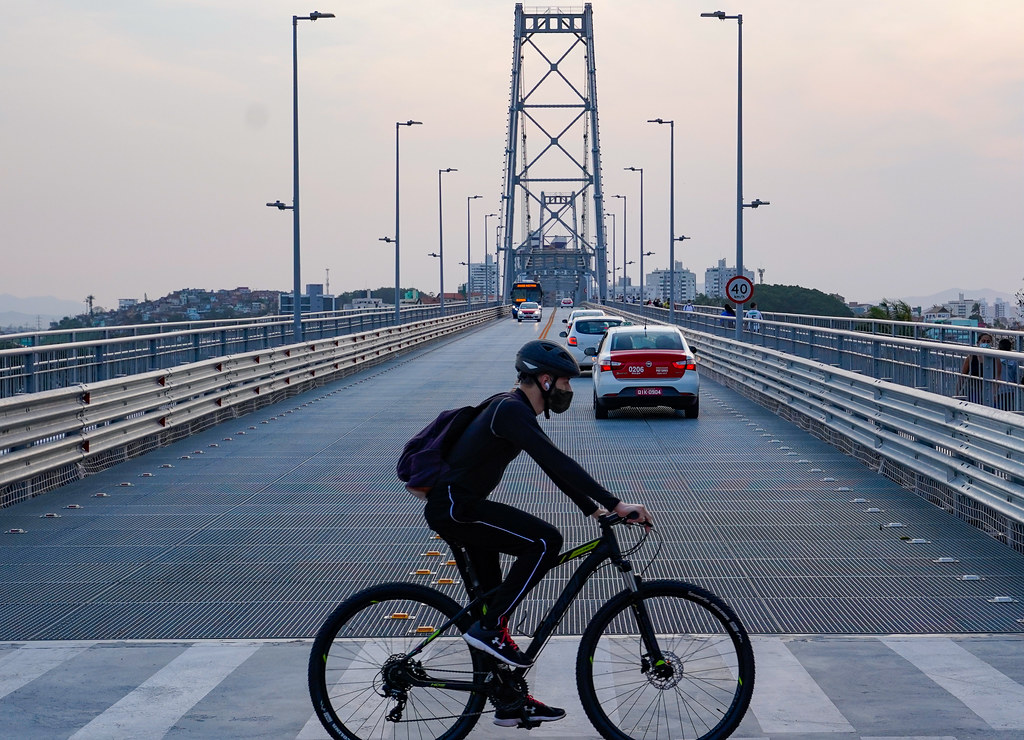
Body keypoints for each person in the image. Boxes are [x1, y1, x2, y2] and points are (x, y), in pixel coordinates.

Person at [423, 339, 652, 727]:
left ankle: (509, 700)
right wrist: (616, 504)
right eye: (565, 383)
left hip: (462, 509)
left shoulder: (514, 411)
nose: (568, 391)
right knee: (546, 541)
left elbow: (551, 467)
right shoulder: (510, 410)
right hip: (456, 509)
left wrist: (592, 509)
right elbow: (556, 460)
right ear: (545, 380)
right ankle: (491, 629)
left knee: (492, 601)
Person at [958, 332, 999, 405]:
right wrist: (958, 392)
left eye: (988, 342)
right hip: (972, 389)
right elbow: (963, 375)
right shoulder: (971, 357)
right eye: (983, 341)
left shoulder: (995, 359)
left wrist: (994, 393)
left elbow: (997, 377)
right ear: (978, 343)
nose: (986, 343)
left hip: (988, 390)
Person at [997, 337, 1021, 411]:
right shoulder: (1014, 361)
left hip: (997, 390)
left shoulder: (994, 359)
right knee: (1009, 409)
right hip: (1010, 389)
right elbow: (1017, 377)